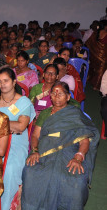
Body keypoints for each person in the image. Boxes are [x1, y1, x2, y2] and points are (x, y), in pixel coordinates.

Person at [22, 82, 99, 210]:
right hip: (45, 151)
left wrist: (78, 157)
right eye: (53, 93)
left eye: (61, 93)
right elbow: (35, 136)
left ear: (68, 97)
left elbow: (84, 141)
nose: (56, 96)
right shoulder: (45, 114)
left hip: (69, 152)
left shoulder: (74, 114)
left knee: (76, 180)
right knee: (30, 172)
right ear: (50, 96)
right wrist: (34, 150)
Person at [0, 67, 35, 210]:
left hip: (16, 140)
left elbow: (20, 126)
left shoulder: (23, 101)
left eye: (6, 81)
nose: (2, 84)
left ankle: (5, 206)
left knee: (10, 169)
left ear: (14, 82)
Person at [86, 20, 107, 90]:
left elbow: (88, 43)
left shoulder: (95, 32)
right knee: (101, 70)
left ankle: (90, 80)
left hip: (94, 54)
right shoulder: (105, 33)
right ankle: (96, 86)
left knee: (94, 68)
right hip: (102, 56)